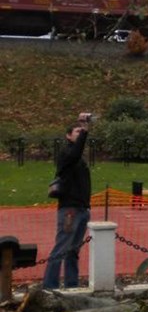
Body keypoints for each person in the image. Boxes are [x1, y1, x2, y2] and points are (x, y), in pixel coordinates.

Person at [43, 112, 93, 289]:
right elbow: (75, 153)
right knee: (61, 248)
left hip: (82, 208)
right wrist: (85, 129)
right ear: (68, 136)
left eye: (81, 132)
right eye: (77, 132)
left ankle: (72, 284)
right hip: (70, 210)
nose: (80, 134)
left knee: (73, 251)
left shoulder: (78, 160)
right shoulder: (66, 155)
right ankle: (50, 286)